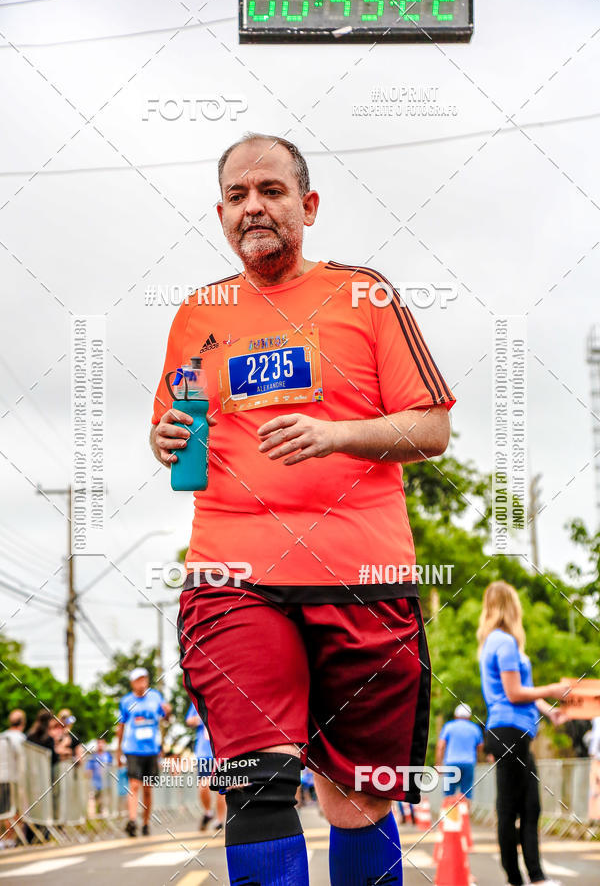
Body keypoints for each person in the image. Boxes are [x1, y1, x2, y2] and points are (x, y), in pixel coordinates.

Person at [150, 132, 455, 886]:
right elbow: (185, 466)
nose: (253, 206)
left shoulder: (367, 296)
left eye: (272, 191)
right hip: (234, 577)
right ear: (220, 214)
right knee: (254, 783)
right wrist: (167, 441)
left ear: (308, 205)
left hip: (362, 580)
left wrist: (335, 435)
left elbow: (432, 429)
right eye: (237, 195)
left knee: (358, 803)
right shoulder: (197, 315)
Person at [478, 580, 570, 886]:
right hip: (508, 732)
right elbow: (515, 692)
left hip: (514, 731)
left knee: (529, 806)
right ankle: (520, 878)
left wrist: (548, 709)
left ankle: (533, 876)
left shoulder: (496, 642)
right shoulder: (503, 642)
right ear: (511, 606)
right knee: (510, 808)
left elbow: (522, 692)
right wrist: (555, 689)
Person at [116, 667, 171, 837]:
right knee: (133, 785)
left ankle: (146, 822)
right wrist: (119, 751)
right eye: (138, 680)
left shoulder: (155, 697)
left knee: (147, 788)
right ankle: (132, 820)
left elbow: (165, 719)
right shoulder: (126, 701)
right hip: (133, 748)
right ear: (132, 683)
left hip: (151, 750)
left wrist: (168, 712)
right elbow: (122, 726)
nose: (142, 682)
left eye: (144, 679)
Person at [185, 702, 226, 832]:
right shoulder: (198, 700)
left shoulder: (223, 699)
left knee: (221, 788)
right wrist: (203, 717)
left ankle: (219, 820)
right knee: (204, 786)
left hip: (221, 751)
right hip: (204, 753)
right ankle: (208, 812)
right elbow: (189, 720)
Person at [435, 703, 483, 801]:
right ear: (469, 716)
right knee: (466, 794)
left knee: (448, 794)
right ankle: (466, 815)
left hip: (451, 764)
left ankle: (448, 815)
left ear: (455, 715)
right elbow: (480, 747)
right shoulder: (475, 728)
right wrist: (479, 760)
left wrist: (438, 764)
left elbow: (440, 746)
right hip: (469, 763)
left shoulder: (449, 726)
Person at [0, 709, 27, 847]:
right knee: (15, 810)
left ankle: (7, 838)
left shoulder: (2, 736)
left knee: (5, 810)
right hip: (14, 777)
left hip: (2, 777)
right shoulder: (20, 738)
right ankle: (12, 838)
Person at [85, 738, 113, 815]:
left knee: (104, 804)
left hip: (106, 784)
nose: (100, 745)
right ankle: (93, 820)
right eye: (99, 743)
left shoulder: (109, 756)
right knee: (93, 802)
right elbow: (88, 770)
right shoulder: (93, 757)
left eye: (102, 743)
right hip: (95, 784)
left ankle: (104, 820)